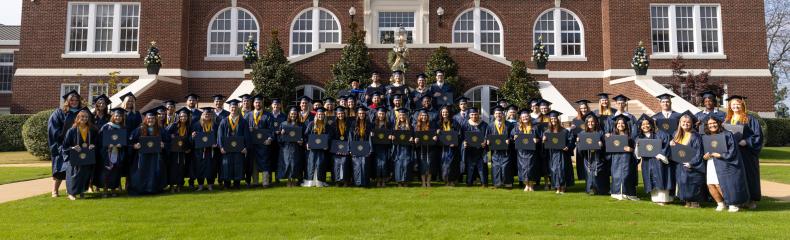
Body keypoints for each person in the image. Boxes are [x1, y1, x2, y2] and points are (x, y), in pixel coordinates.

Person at [703, 117, 750, 212]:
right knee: (711, 184)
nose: (712, 125)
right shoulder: (706, 136)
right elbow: (703, 152)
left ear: (719, 123)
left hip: (724, 163)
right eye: (710, 124)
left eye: (714, 123)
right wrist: (705, 156)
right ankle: (720, 204)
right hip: (711, 162)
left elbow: (733, 151)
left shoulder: (727, 134)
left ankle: (732, 204)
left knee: (721, 184)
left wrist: (721, 155)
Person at [724, 95, 763, 209]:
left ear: (742, 105)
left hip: (746, 153)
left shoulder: (750, 119)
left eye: (738, 104)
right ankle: (740, 200)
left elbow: (758, 136)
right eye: (733, 104)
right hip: (733, 154)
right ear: (730, 106)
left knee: (749, 175)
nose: (735, 106)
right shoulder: (727, 120)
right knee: (736, 176)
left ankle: (751, 200)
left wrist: (746, 141)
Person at [48, 90, 83, 197]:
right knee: (60, 168)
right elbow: (53, 128)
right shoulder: (59, 112)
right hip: (62, 145)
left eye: (76, 100)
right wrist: (63, 140)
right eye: (71, 100)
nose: (74, 102)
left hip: (77, 145)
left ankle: (71, 190)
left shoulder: (81, 112)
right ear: (67, 101)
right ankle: (55, 190)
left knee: (74, 169)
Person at [634, 114, 674, 205]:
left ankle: (664, 200)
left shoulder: (660, 134)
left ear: (651, 124)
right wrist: (637, 147)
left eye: (647, 124)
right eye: (643, 125)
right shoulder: (639, 138)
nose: (645, 126)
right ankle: (655, 199)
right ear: (640, 127)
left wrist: (660, 155)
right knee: (650, 178)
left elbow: (667, 146)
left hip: (659, 162)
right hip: (647, 162)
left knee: (661, 178)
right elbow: (637, 155)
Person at [128, 108, 167, 196]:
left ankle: (154, 189)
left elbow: (168, 142)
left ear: (155, 119)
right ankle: (142, 189)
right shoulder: (139, 129)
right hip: (142, 157)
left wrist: (163, 145)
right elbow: (129, 142)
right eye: (149, 118)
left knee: (155, 171)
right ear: (145, 119)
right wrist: (134, 146)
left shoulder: (160, 130)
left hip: (155, 156)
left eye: (152, 118)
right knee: (142, 172)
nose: (151, 120)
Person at [671, 112, 705, 208]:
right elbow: (674, 151)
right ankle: (687, 201)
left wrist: (692, 163)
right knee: (682, 182)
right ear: (680, 123)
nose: (685, 124)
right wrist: (671, 145)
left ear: (692, 123)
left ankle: (694, 202)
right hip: (680, 164)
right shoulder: (676, 134)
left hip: (691, 164)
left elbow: (699, 152)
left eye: (688, 122)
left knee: (692, 182)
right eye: (683, 122)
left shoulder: (695, 136)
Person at [61, 109, 97, 200]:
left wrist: (93, 145)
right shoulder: (72, 130)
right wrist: (72, 148)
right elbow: (65, 145)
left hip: (86, 156)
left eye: (86, 117)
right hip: (75, 157)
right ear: (78, 118)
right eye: (82, 116)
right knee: (74, 174)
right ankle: (71, 193)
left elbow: (96, 142)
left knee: (85, 174)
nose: (84, 118)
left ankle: (81, 191)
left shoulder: (91, 130)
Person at [217, 99, 249, 189]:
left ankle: (237, 183)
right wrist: (221, 147)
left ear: (237, 108)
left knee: (238, 164)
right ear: (229, 108)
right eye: (232, 107)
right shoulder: (224, 121)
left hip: (239, 149)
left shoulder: (243, 121)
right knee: (227, 164)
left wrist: (245, 147)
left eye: (235, 107)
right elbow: (219, 135)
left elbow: (247, 135)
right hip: (227, 149)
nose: (233, 109)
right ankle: (227, 183)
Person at [246, 95, 275, 187]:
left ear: (262, 103)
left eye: (259, 102)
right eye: (256, 102)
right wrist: (248, 130)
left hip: (264, 143)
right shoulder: (248, 115)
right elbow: (244, 129)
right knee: (254, 162)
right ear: (253, 104)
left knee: (265, 161)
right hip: (252, 143)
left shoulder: (268, 115)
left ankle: (265, 181)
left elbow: (271, 129)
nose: (258, 104)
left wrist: (270, 139)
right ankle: (255, 181)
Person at [97, 108, 127, 197]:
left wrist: (121, 145)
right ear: (113, 116)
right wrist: (107, 145)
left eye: (120, 116)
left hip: (118, 152)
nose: (118, 118)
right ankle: (105, 190)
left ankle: (113, 189)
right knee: (106, 171)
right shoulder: (106, 126)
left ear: (122, 118)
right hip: (107, 152)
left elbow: (126, 141)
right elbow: (99, 139)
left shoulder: (123, 127)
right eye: (116, 116)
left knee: (116, 171)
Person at [543, 110, 574, 194]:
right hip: (552, 154)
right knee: (554, 170)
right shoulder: (547, 132)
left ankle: (563, 187)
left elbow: (571, 141)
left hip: (563, 154)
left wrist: (568, 147)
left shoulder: (564, 131)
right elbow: (545, 145)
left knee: (562, 169)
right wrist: (544, 140)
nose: (553, 120)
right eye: (552, 119)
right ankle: (557, 187)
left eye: (555, 118)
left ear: (558, 119)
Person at [607, 115, 638, 200]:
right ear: (616, 125)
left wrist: (631, 149)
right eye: (619, 123)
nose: (621, 125)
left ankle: (627, 193)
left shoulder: (631, 137)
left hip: (627, 159)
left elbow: (636, 149)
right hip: (616, 159)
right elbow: (608, 151)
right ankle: (616, 193)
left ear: (626, 125)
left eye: (623, 123)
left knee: (626, 176)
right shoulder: (612, 136)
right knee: (616, 176)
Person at [577, 112, 609, 195]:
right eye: (588, 122)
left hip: (598, 157)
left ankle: (600, 190)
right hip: (588, 158)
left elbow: (606, 146)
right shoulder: (582, 134)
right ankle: (590, 189)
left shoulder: (600, 133)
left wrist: (601, 145)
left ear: (595, 122)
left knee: (598, 173)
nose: (590, 123)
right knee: (589, 173)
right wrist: (579, 143)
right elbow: (580, 150)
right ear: (586, 123)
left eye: (592, 121)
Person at [303, 107, 333, 187]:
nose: (320, 116)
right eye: (319, 114)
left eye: (322, 114)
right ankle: (310, 181)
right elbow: (306, 136)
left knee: (320, 164)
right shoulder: (311, 124)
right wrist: (307, 143)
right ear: (316, 115)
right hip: (312, 149)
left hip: (322, 149)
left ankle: (320, 181)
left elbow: (330, 137)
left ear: (324, 115)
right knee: (312, 164)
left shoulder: (327, 125)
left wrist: (327, 145)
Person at [512, 108, 540, 191]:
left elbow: (541, 137)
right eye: (523, 117)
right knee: (523, 168)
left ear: (529, 117)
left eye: (526, 116)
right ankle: (526, 185)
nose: (525, 118)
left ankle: (531, 185)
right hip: (521, 152)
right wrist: (514, 137)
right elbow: (512, 136)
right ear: (520, 118)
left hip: (532, 151)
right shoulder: (517, 127)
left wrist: (537, 140)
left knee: (531, 168)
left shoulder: (535, 127)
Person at [165, 107, 192, 193]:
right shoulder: (173, 125)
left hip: (183, 151)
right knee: (173, 168)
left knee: (181, 168)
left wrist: (188, 148)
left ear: (187, 117)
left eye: (185, 116)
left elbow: (190, 139)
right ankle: (172, 185)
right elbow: (166, 134)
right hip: (174, 151)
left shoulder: (189, 127)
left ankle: (180, 185)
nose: (183, 118)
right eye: (181, 116)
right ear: (178, 117)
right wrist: (171, 136)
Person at [191, 107, 218, 191]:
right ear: (202, 115)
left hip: (211, 151)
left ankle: (210, 185)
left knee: (211, 168)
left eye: (209, 114)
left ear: (211, 115)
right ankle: (200, 185)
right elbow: (191, 138)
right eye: (205, 114)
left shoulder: (214, 125)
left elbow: (218, 137)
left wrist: (216, 144)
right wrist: (192, 136)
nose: (207, 115)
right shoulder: (196, 125)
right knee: (200, 168)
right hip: (200, 151)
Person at [277, 106, 304, 187]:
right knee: (288, 163)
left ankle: (295, 179)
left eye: (295, 114)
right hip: (287, 147)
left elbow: (304, 136)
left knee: (295, 163)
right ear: (289, 114)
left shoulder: (301, 124)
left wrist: (302, 141)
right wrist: (281, 134)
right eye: (292, 114)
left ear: (297, 115)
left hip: (296, 147)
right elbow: (279, 138)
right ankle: (289, 179)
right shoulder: (284, 124)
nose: (293, 115)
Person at [461, 108, 489, 187]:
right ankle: (469, 182)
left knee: (482, 167)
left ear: (478, 114)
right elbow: (462, 137)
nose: (474, 116)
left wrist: (485, 142)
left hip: (481, 150)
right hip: (470, 150)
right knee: (470, 167)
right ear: (469, 115)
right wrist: (464, 143)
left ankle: (484, 183)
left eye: (476, 114)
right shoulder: (465, 125)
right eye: (472, 114)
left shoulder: (484, 125)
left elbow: (487, 136)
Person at [488, 106, 513, 188]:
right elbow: (487, 136)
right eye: (496, 113)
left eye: (500, 113)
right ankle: (497, 183)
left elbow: (512, 136)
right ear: (494, 115)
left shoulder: (509, 125)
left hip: (506, 150)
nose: (498, 115)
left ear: (503, 114)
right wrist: (488, 141)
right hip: (495, 151)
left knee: (506, 166)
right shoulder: (490, 125)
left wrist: (509, 140)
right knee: (496, 166)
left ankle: (507, 182)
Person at [437, 105, 460, 186]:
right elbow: (436, 136)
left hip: (452, 147)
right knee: (444, 164)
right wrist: (437, 133)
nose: (444, 113)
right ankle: (446, 180)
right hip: (443, 147)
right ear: (441, 113)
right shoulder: (439, 123)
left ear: (449, 113)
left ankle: (452, 180)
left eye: (446, 112)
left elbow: (458, 134)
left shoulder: (454, 122)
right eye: (443, 112)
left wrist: (455, 142)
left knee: (452, 164)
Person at [413, 108, 437, 187]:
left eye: (425, 115)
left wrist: (435, 137)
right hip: (420, 148)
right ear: (420, 116)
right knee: (422, 165)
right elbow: (414, 137)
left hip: (430, 148)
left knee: (430, 165)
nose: (424, 117)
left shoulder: (431, 125)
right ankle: (423, 182)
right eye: (422, 115)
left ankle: (429, 182)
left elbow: (435, 135)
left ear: (427, 116)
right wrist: (415, 140)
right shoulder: (416, 126)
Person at [391, 108, 414, 187]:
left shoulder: (410, 127)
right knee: (399, 164)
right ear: (398, 116)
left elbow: (412, 136)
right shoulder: (396, 126)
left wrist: (412, 139)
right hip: (398, 149)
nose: (402, 116)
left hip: (407, 148)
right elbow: (392, 137)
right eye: (400, 115)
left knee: (406, 164)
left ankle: (406, 181)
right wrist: (392, 137)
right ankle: (399, 181)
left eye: (403, 115)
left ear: (406, 116)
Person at [350, 106, 372, 187]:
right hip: (356, 147)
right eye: (360, 113)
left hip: (365, 147)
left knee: (364, 163)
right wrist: (351, 149)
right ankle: (357, 182)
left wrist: (370, 149)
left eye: (363, 113)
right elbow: (350, 137)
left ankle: (365, 182)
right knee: (357, 164)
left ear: (365, 114)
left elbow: (370, 138)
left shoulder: (369, 124)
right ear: (357, 114)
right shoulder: (353, 124)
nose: (361, 115)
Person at [332, 106, 351, 187]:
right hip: (336, 147)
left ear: (344, 114)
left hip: (346, 146)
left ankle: (346, 181)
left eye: (342, 113)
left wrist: (348, 148)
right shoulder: (333, 124)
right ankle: (337, 181)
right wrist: (336, 148)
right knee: (336, 162)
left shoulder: (348, 123)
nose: (340, 115)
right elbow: (331, 137)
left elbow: (350, 137)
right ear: (336, 114)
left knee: (345, 161)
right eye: (339, 113)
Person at [372, 107, 392, 187]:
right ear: (377, 114)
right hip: (376, 147)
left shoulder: (388, 124)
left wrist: (391, 136)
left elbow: (392, 133)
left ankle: (383, 180)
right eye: (380, 113)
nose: (381, 115)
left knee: (384, 164)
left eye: (383, 114)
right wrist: (371, 135)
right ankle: (378, 180)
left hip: (385, 147)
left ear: (385, 114)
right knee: (377, 164)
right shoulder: (373, 124)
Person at [572, 99, 592, 180]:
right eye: (581, 108)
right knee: (581, 161)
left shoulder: (592, 118)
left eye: (585, 108)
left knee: (590, 160)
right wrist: (573, 131)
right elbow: (574, 135)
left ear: (587, 108)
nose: (583, 110)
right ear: (579, 109)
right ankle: (583, 177)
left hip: (590, 142)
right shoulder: (576, 120)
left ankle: (591, 176)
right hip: (580, 143)